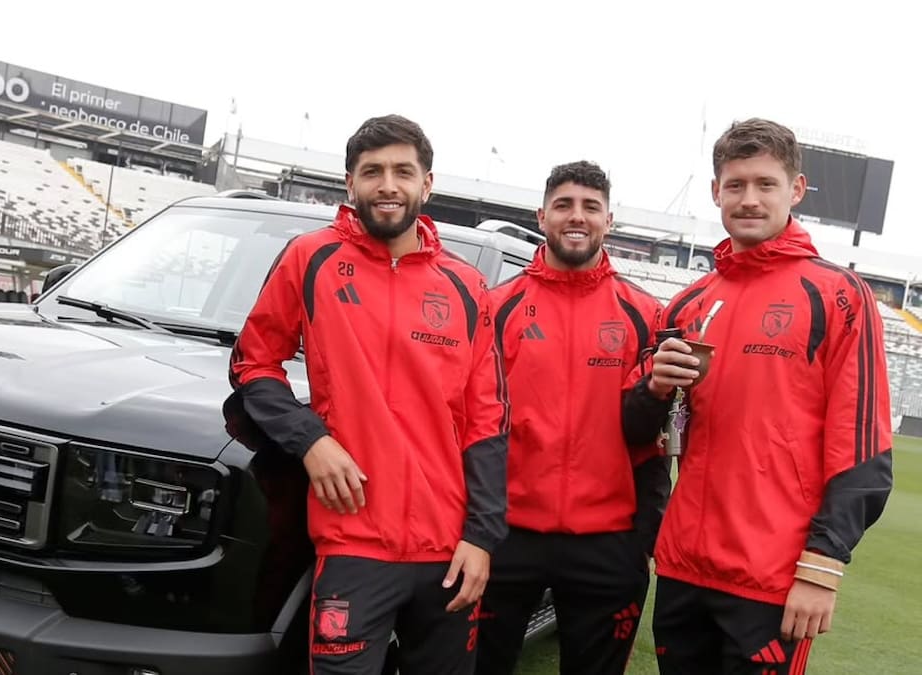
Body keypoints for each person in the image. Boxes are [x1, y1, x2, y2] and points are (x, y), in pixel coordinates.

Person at [227, 114, 509, 675]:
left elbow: (487, 420)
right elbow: (253, 363)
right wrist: (311, 441)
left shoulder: (466, 285)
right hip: (353, 540)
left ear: (427, 184)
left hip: (449, 550)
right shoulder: (311, 258)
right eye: (372, 171)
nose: (388, 185)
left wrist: (481, 537)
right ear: (350, 182)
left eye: (403, 171)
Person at [623, 118, 894, 674]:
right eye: (736, 184)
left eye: (765, 184)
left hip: (773, 578)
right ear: (716, 191)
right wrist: (654, 388)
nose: (749, 199)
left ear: (796, 190)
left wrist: (822, 566)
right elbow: (640, 433)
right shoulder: (689, 304)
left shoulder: (840, 296)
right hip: (682, 569)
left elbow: (863, 449)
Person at [476, 161, 670, 675]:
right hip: (506, 535)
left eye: (591, 207)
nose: (577, 217)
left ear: (609, 220)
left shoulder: (644, 314)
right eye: (563, 205)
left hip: (608, 542)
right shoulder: (497, 307)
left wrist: (642, 538)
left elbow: (655, 436)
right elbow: (473, 423)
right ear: (542, 216)